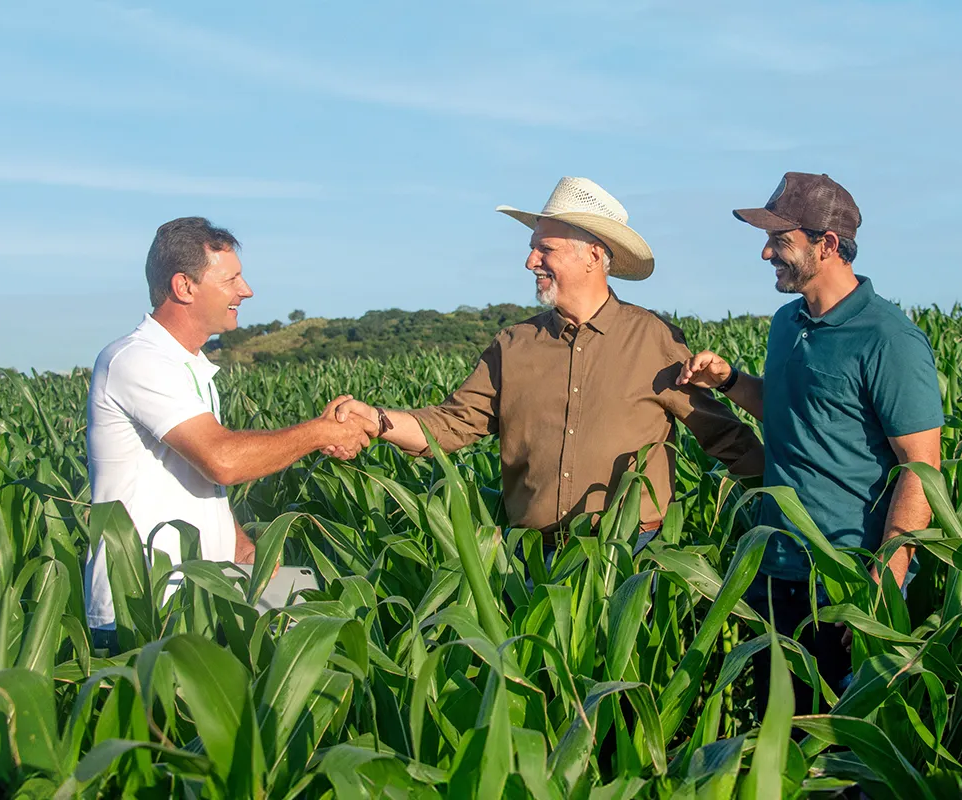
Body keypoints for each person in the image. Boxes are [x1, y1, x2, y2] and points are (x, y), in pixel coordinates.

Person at [327, 177, 763, 550]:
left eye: (544, 249)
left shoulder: (653, 339)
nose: (530, 261)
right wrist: (375, 419)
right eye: (533, 249)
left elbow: (723, 436)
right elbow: (448, 426)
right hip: (531, 560)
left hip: (631, 556)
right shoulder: (513, 345)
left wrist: (788, 504)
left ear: (593, 255)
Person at [677, 171, 943, 712]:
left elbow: (921, 468)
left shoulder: (888, 339)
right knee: (778, 728)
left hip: (845, 578)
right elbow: (787, 411)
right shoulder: (786, 322)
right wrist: (729, 381)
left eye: (780, 241)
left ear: (826, 245)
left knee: (841, 749)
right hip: (774, 565)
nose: (765, 253)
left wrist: (882, 584)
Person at [84, 217, 372, 650]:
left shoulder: (188, 367)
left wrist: (239, 547)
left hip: (199, 600)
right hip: (145, 609)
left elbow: (191, 480)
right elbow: (222, 460)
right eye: (232, 279)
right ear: (184, 287)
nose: (246, 290)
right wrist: (321, 432)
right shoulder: (137, 361)